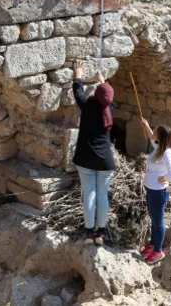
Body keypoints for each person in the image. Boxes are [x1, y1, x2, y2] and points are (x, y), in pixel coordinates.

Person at [72, 60, 115, 246]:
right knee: (102, 195)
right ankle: (101, 233)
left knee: (89, 194)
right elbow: (106, 96)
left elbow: (78, 92)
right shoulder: (109, 109)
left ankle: (89, 233)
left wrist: (78, 73)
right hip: (105, 161)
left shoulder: (88, 106)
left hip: (85, 159)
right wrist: (102, 81)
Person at [138, 119, 171, 264]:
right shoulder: (159, 147)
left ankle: (158, 251)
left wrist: (164, 178)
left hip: (157, 192)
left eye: (155, 131)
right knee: (154, 220)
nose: (153, 133)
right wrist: (147, 125)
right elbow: (151, 137)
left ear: (160, 136)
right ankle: (153, 244)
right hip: (151, 190)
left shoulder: (167, 153)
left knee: (158, 222)